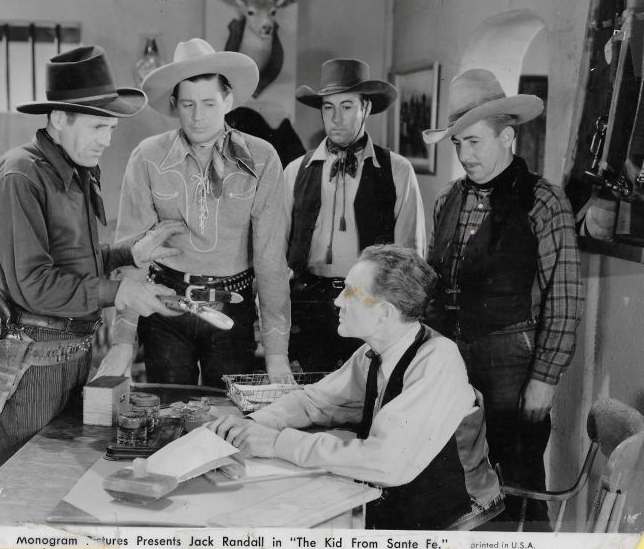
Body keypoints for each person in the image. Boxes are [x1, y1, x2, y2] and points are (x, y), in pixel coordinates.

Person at [0, 46, 182, 466]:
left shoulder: (73, 169)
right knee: (30, 479)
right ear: (59, 119)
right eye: (97, 127)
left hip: (72, 354)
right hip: (33, 363)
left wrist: (128, 252)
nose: (106, 141)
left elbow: (73, 263)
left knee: (64, 478)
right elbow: (35, 285)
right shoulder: (19, 176)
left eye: (110, 128)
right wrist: (120, 293)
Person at [209, 245, 502, 530]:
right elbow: (314, 401)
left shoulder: (438, 357)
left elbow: (386, 462)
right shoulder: (373, 353)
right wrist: (251, 425)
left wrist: (276, 443)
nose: (338, 301)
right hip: (401, 512)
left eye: (350, 292)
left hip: (457, 522)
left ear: (384, 312)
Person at [422, 68, 584, 528]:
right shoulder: (448, 199)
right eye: (458, 143)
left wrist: (544, 381)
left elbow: (565, 300)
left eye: (474, 142)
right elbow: (434, 284)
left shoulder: (544, 201)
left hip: (513, 368)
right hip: (451, 362)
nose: (464, 155)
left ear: (507, 137)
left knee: (517, 487)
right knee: (453, 483)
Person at [103, 38, 291, 388]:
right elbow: (133, 253)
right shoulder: (148, 157)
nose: (198, 116)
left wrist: (276, 353)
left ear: (228, 100)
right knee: (168, 411)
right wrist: (122, 342)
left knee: (229, 414)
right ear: (174, 104)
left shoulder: (262, 159)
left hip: (232, 309)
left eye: (209, 103)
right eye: (188, 104)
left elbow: (270, 260)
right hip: (166, 306)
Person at [284, 58, 426, 371]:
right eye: (328, 107)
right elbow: (278, 250)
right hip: (307, 307)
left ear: (366, 108)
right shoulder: (295, 171)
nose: (336, 118)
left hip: (370, 304)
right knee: (312, 390)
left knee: (365, 390)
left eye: (347, 106)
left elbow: (410, 256)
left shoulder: (397, 171)